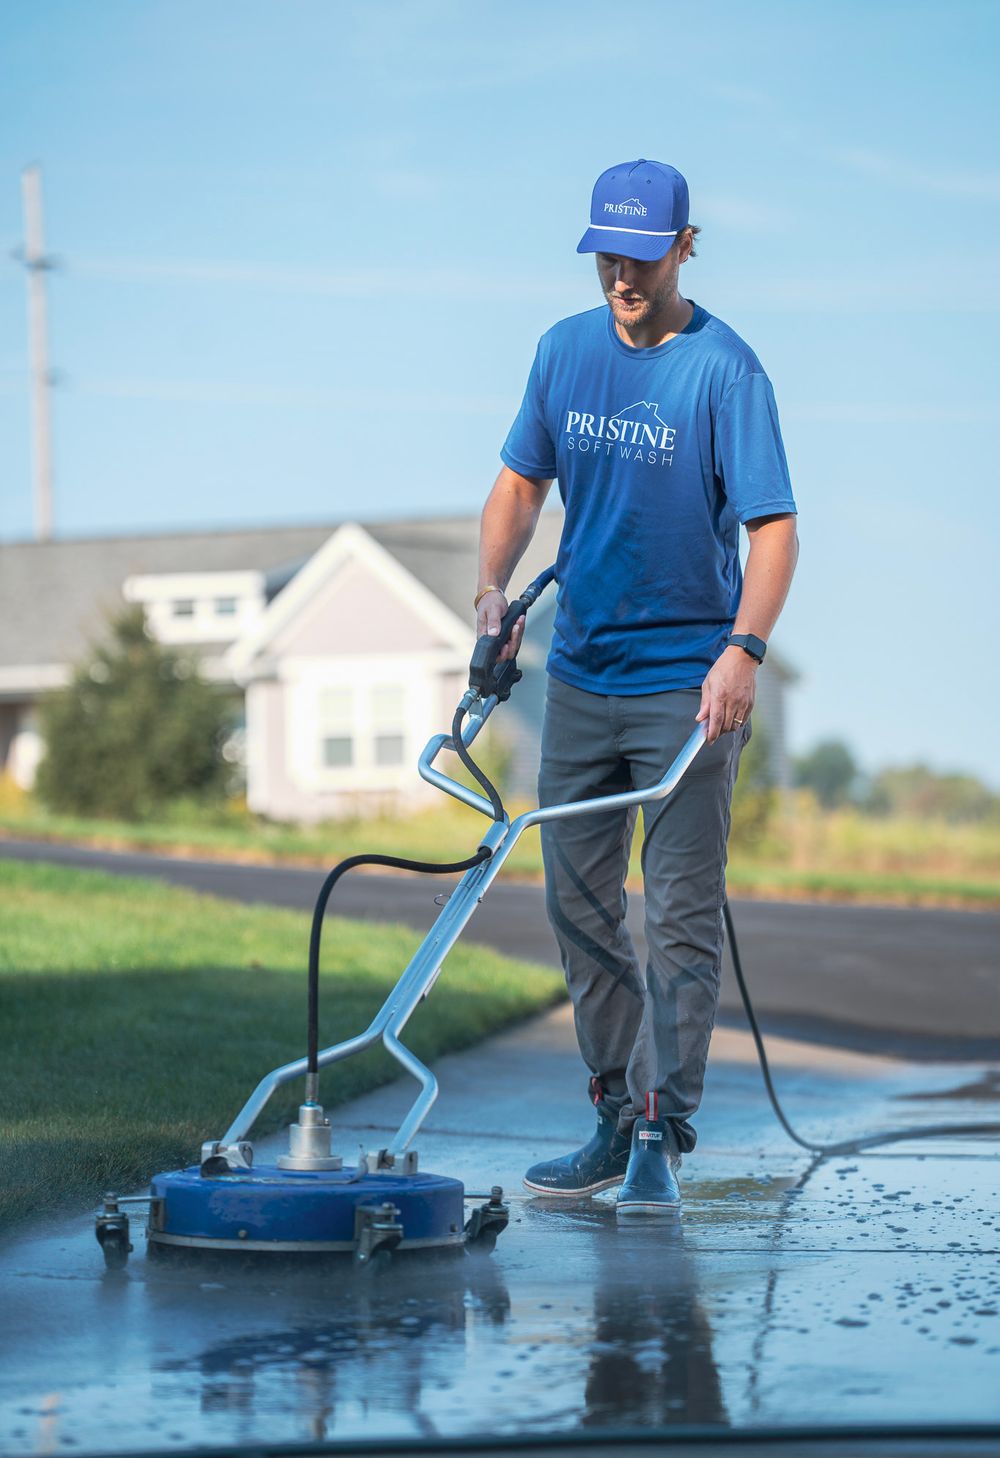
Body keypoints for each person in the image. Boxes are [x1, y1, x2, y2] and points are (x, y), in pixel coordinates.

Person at [475, 159, 798, 1215]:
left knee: (680, 908)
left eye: (641, 253)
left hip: (687, 683)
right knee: (575, 903)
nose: (622, 272)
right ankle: (615, 1107)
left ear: (683, 247)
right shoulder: (563, 353)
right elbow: (521, 482)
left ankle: (662, 1120)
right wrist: (489, 589)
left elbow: (773, 528)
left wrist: (742, 649)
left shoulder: (725, 370)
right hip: (583, 672)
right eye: (606, 252)